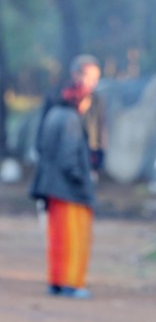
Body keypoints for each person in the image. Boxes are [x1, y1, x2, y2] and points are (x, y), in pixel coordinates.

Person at [30, 56, 102, 299]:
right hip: (71, 190)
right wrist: (84, 180)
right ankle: (72, 283)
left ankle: (57, 282)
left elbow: (40, 145)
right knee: (75, 238)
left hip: (51, 186)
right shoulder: (71, 120)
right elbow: (70, 158)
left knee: (57, 238)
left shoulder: (53, 114)